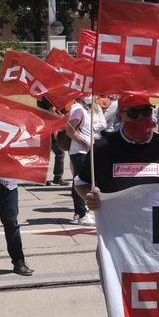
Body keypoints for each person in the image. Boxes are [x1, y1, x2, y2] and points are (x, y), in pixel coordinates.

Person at [78, 94, 159, 207]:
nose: (140, 118)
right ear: (119, 116)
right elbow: (80, 182)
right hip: (118, 222)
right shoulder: (102, 148)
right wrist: (89, 196)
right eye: (133, 113)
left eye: (146, 111)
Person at [65, 93, 96, 222]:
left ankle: (80, 212)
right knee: (80, 181)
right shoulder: (78, 109)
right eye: (88, 94)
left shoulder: (83, 109)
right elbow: (70, 130)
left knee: (78, 182)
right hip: (80, 152)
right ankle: (82, 213)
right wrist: (85, 143)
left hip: (83, 151)